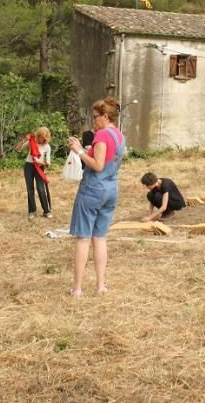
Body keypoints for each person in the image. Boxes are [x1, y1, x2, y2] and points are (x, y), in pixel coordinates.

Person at [67, 97, 125, 297]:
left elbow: (97, 164)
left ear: (106, 116)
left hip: (93, 190)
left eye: (95, 117)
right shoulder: (119, 135)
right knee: (99, 238)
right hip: (111, 190)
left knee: (83, 238)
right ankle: (101, 286)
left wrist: (79, 150)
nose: (93, 120)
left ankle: (77, 288)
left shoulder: (101, 136)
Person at [15, 127, 53, 219]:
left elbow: (48, 163)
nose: (39, 139)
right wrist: (25, 140)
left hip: (39, 168)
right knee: (30, 189)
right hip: (28, 166)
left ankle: (46, 211)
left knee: (41, 189)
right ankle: (32, 211)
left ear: (45, 137)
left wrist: (41, 163)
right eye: (38, 136)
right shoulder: (32, 142)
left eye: (41, 137)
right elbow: (17, 149)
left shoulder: (47, 147)